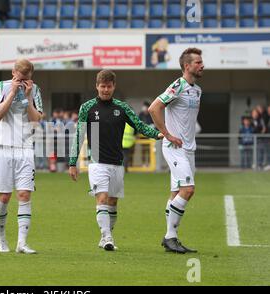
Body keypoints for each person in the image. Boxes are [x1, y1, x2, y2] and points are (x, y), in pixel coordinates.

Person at [68, 70, 163, 251]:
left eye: (109, 86)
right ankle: (107, 236)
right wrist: (72, 163)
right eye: (102, 86)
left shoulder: (122, 107)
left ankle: (106, 235)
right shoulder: (87, 108)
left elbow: (139, 125)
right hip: (97, 162)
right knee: (102, 198)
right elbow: (79, 135)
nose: (105, 90)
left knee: (112, 202)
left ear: (114, 87)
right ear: (97, 86)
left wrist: (157, 134)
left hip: (117, 163)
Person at [148, 47, 204, 254]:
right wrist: (168, 134)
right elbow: (154, 108)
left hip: (189, 149)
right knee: (188, 190)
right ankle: (170, 237)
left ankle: (171, 238)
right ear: (187, 66)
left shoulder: (197, 90)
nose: (202, 65)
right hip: (174, 148)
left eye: (201, 61)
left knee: (175, 193)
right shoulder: (177, 85)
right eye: (198, 62)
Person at [0, 59, 43, 254]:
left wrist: (28, 97)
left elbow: (36, 120)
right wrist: (13, 92)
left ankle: (22, 243)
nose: (22, 82)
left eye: (26, 79)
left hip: (25, 147)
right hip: (3, 147)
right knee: (4, 196)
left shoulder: (35, 90)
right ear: (13, 73)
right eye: (19, 78)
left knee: (24, 194)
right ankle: (1, 238)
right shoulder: (1, 87)